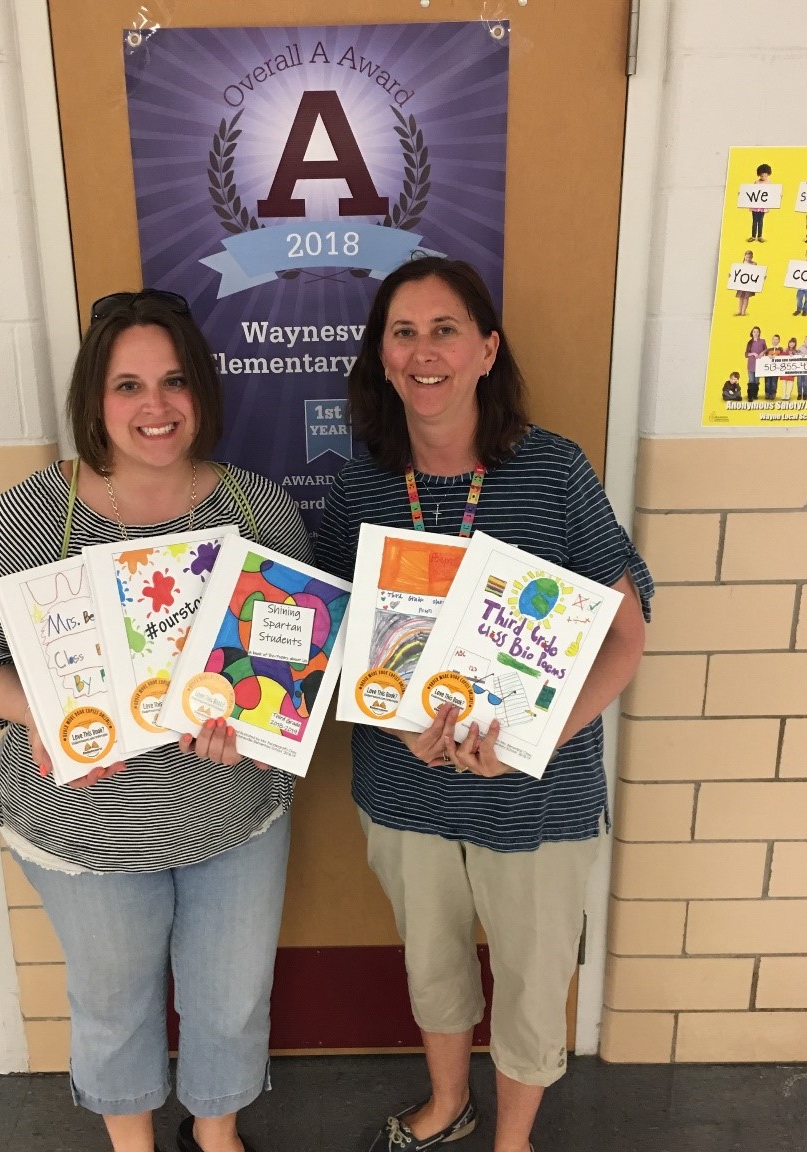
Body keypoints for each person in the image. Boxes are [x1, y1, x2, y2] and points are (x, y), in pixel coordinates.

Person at [0, 290, 312, 1152]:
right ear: (94, 400)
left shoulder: (257, 512)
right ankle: (133, 1143)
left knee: (231, 994)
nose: (155, 408)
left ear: (203, 392)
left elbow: (293, 676)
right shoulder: (36, 515)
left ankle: (215, 1134)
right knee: (112, 1001)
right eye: (127, 386)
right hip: (87, 834)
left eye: (175, 381)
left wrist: (251, 725)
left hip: (233, 818)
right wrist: (31, 701)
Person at [314, 257, 652, 1152]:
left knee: (534, 983)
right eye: (404, 333)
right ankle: (447, 1103)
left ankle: (512, 1139)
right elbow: (338, 644)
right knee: (434, 969)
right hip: (407, 792)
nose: (425, 352)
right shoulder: (361, 489)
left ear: (487, 349)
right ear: (382, 359)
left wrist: (534, 741)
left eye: (446, 330)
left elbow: (627, 636)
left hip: (535, 797)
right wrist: (392, 720)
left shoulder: (551, 472)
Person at [746, 162, 772, 243]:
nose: (763, 177)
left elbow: (772, 193)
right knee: (754, 221)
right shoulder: (756, 182)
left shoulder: (769, 183)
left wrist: (778, 196)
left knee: (760, 221)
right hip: (755, 206)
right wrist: (743, 194)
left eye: (765, 175)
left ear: (768, 175)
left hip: (763, 206)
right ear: (759, 175)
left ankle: (760, 236)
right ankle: (753, 236)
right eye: (761, 175)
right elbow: (751, 192)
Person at [744, 326, 767, 401]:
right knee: (751, 380)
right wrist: (753, 353)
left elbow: (766, 350)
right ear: (752, 333)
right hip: (751, 364)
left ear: (759, 333)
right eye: (754, 331)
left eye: (757, 331)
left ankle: (755, 395)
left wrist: (761, 353)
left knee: (757, 381)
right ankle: (750, 396)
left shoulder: (762, 341)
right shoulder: (750, 342)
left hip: (759, 365)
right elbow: (746, 354)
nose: (756, 333)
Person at [735, 250, 756, 316]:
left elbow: (756, 273)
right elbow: (738, 272)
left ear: (752, 257)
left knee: (746, 297)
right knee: (741, 297)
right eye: (747, 257)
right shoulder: (742, 264)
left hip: (749, 283)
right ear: (744, 257)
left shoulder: (754, 264)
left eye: (749, 257)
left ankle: (743, 311)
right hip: (742, 283)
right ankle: (739, 310)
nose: (748, 259)